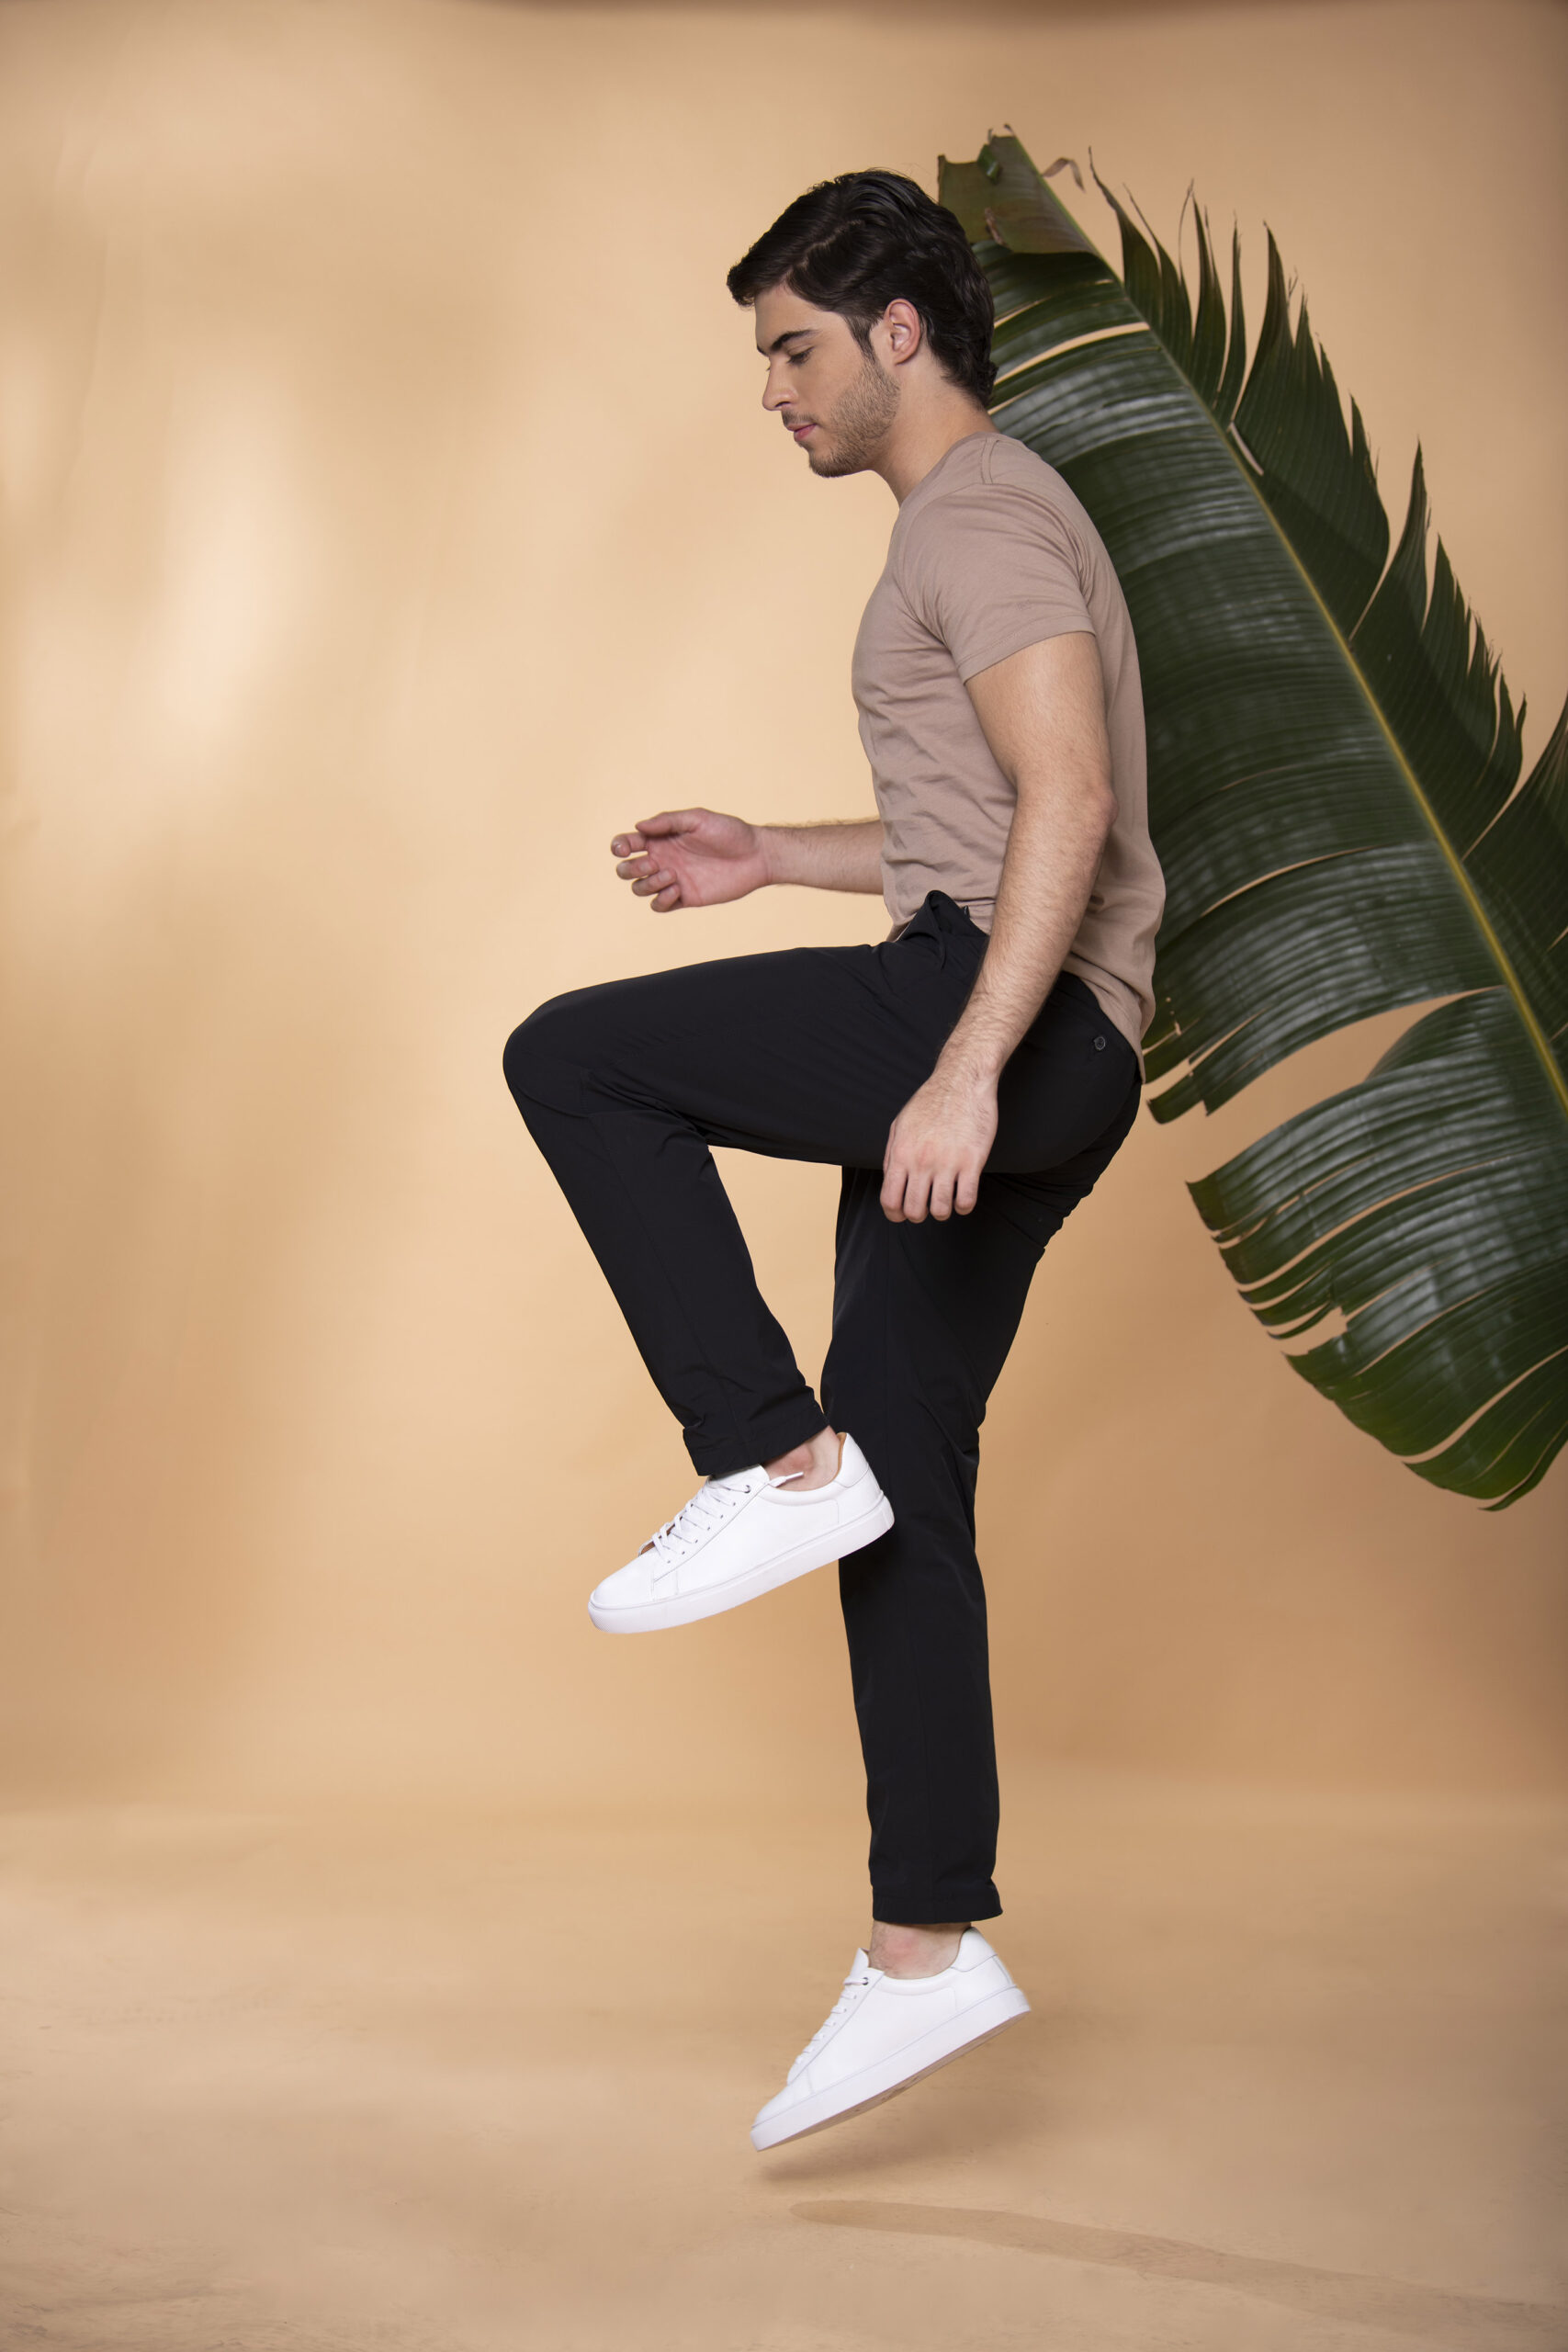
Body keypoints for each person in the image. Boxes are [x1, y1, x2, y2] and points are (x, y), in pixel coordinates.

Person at [503, 170, 1164, 2151]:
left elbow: (1068, 800)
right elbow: (986, 815)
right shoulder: (973, 523)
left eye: (793, 347)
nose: (773, 390)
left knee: (574, 1058)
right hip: (1044, 1025)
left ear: (897, 332)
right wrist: (774, 854)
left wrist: (960, 1070)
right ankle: (922, 1949)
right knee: (901, 1480)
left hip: (1003, 1017)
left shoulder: (979, 512)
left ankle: (758, 1453)